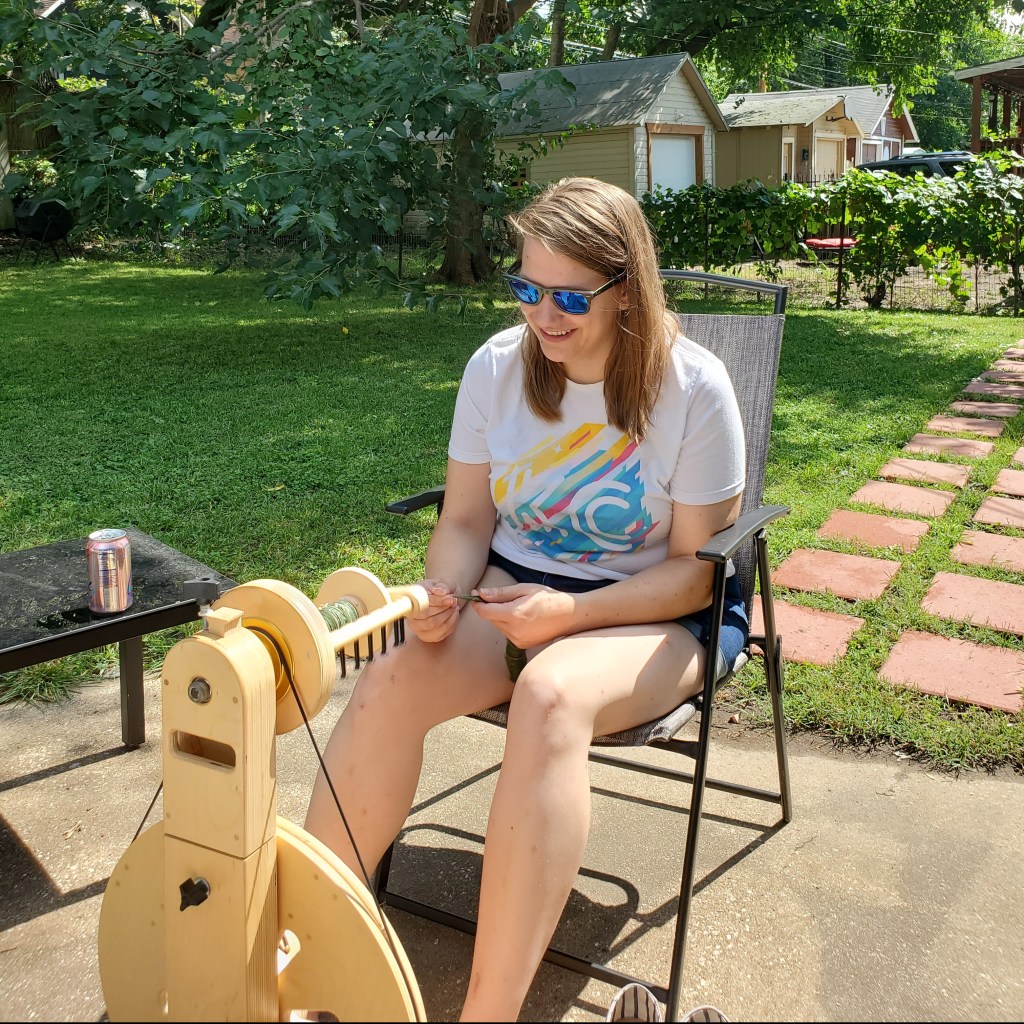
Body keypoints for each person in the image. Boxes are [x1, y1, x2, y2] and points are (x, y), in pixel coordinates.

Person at [305, 176, 748, 1022]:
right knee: (392, 675)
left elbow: (697, 572)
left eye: (570, 297)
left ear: (627, 288)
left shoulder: (694, 388)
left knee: (548, 695)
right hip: (514, 592)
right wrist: (445, 589)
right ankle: (306, 955)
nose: (544, 316)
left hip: (658, 612)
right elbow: (466, 520)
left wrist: (572, 615)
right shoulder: (497, 368)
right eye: (527, 288)